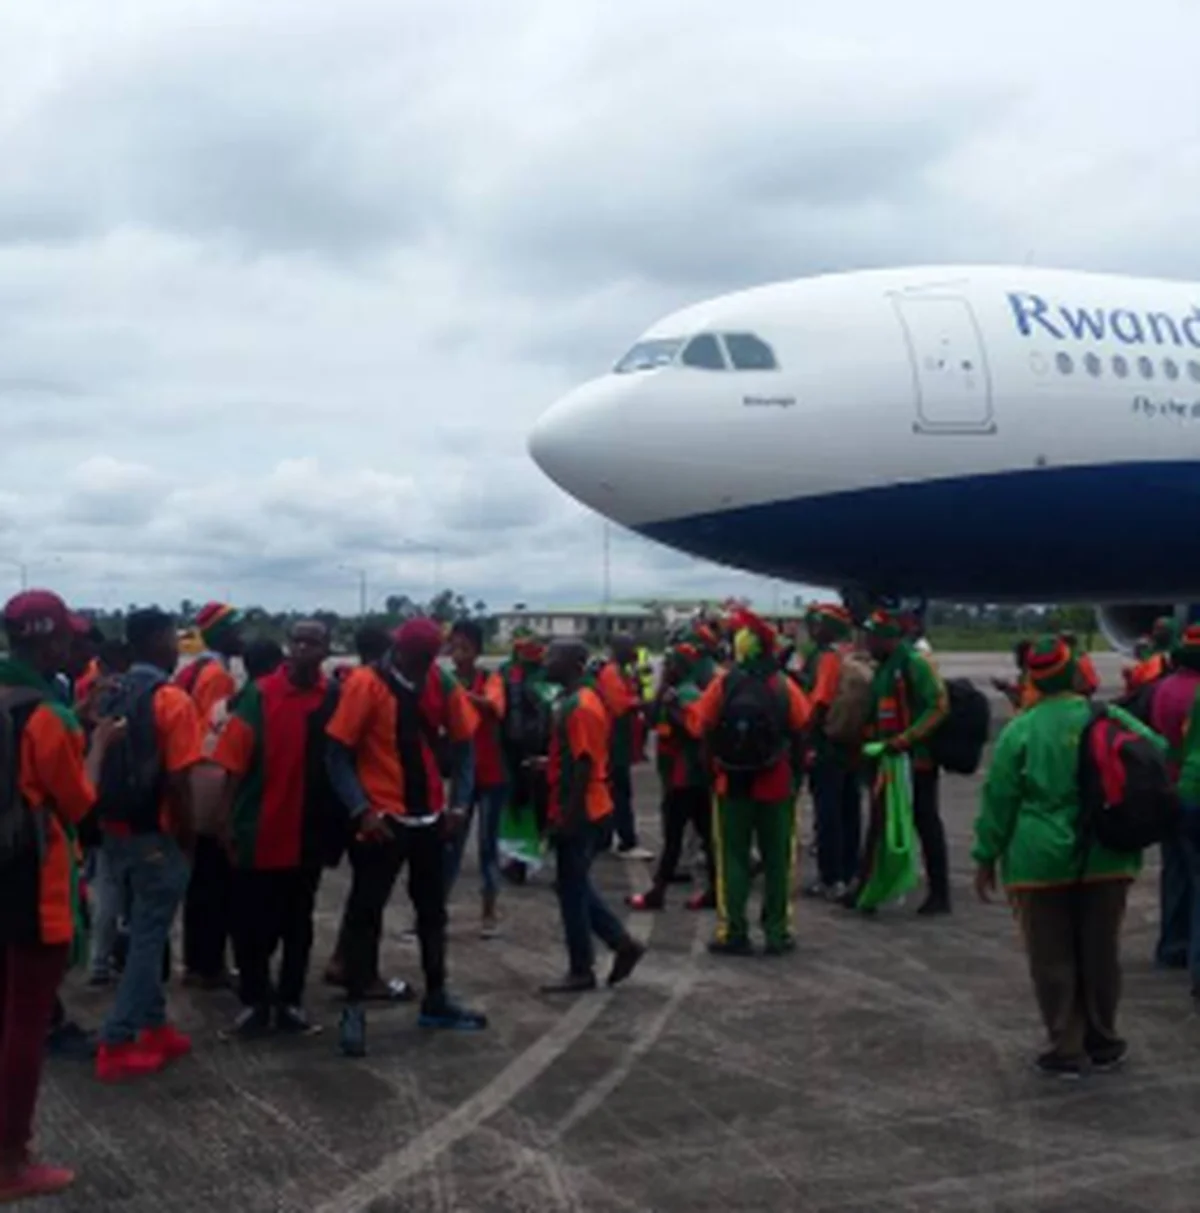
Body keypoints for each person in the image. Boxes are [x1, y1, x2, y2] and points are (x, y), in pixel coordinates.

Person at [972, 635, 1143, 1077]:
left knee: (1052, 957)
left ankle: (1067, 1047)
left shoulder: (1021, 730)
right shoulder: (1110, 716)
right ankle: (1104, 1040)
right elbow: (1153, 754)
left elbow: (999, 800)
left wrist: (986, 855)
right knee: (1101, 952)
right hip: (1106, 854)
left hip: (1039, 861)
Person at [0, 590, 122, 1202]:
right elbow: (78, 803)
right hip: (32, 887)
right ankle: (10, 1159)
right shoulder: (49, 718)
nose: (75, 646)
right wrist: (96, 747)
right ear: (47, 642)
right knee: (25, 1025)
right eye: (68, 637)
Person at [325, 618, 485, 1057]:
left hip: (430, 816)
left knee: (432, 914)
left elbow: (466, 744)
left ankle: (436, 999)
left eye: (426, 663)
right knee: (365, 914)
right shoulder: (365, 684)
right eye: (413, 662)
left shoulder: (440, 681)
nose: (419, 670)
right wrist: (361, 810)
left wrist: (458, 805)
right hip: (382, 819)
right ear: (399, 653)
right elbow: (336, 755)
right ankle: (354, 1009)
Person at [213, 622, 337, 1039]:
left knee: (298, 923)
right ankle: (255, 1000)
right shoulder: (259, 695)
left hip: (309, 832)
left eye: (312, 643)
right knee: (250, 923)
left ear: (325, 651)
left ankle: (289, 1001)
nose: (302, 649)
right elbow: (233, 764)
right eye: (296, 641)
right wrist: (226, 822)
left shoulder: (332, 698)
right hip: (259, 829)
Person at [95, 608, 203, 1082]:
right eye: (173, 638)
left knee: (142, 924)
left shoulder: (112, 689)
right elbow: (180, 780)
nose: (177, 647)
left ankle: (154, 1026)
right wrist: (188, 834)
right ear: (157, 641)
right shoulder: (172, 700)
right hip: (156, 833)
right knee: (148, 936)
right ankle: (117, 1039)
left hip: (115, 829)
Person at [687, 609, 811, 956]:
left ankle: (733, 931)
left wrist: (713, 770)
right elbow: (802, 729)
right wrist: (796, 776)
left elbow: (702, 727)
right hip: (776, 784)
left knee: (732, 859)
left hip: (732, 783)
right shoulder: (784, 686)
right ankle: (777, 932)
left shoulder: (724, 683)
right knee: (778, 861)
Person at [540, 640, 645, 992]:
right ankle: (620, 943)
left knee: (571, 889)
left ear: (574, 662)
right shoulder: (579, 700)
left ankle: (583, 967)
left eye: (553, 655)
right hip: (584, 804)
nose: (546, 659)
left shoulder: (581, 705)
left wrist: (567, 817)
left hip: (583, 809)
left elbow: (585, 764)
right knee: (572, 884)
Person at [854, 609, 951, 916]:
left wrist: (906, 739)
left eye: (872, 638)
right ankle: (864, 889)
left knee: (925, 821)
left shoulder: (915, 663)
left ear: (890, 639)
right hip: (889, 759)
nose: (866, 643)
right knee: (879, 822)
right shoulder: (884, 667)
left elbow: (938, 705)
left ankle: (940, 894)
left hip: (915, 759)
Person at [177, 601, 243, 989]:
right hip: (209, 781)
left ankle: (197, 963)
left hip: (192, 780)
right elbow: (212, 734)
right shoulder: (217, 676)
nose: (241, 637)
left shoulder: (194, 669)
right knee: (215, 882)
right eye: (235, 630)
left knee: (200, 881)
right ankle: (209, 965)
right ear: (220, 634)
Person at [628, 643, 714, 912]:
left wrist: (673, 708)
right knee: (706, 837)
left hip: (685, 777)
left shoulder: (688, 694)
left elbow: (695, 729)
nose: (666, 668)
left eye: (670, 664)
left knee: (675, 839)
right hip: (682, 776)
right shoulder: (674, 692)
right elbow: (654, 719)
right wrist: (660, 695)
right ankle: (714, 891)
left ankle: (657, 893)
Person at [446, 620, 507, 937]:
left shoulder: (490, 679)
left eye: (464, 648)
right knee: (451, 846)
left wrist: (458, 693)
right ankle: (435, 911)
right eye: (453, 648)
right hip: (461, 775)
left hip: (491, 773)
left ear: (477, 651)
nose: (457, 654)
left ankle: (489, 913)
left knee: (487, 847)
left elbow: (494, 707)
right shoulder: (450, 681)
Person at [1147, 624, 1200, 979]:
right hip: (1194, 788)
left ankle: (1171, 946)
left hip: (1168, 786)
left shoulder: (1164, 688)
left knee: (1175, 872)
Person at [800, 603, 862, 900]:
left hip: (827, 743)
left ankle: (830, 876)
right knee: (849, 808)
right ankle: (850, 870)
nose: (812, 628)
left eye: (816, 623)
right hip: (850, 743)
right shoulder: (849, 653)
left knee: (828, 811)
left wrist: (806, 737)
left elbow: (820, 700)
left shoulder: (826, 657)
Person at [497, 630, 552, 884]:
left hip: (543, 749)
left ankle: (527, 859)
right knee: (517, 807)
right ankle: (518, 859)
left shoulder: (549, 672)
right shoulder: (506, 671)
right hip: (513, 749)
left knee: (542, 808)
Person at [595, 633, 652, 859]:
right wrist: (641, 703)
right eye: (630, 648)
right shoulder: (611, 673)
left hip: (620, 738)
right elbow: (619, 706)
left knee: (615, 790)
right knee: (619, 791)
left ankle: (605, 838)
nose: (634, 653)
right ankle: (626, 842)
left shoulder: (621, 672)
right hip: (612, 739)